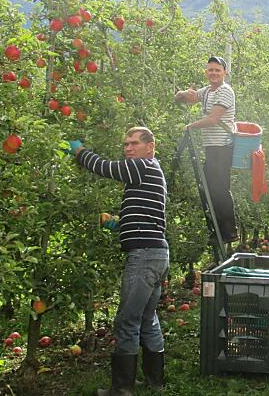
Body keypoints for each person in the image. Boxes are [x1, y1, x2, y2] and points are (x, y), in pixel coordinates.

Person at [68, 127, 168, 395]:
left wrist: (80, 152)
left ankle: (122, 390)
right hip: (156, 252)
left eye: (134, 143)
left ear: (150, 147)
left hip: (144, 255)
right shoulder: (150, 170)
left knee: (127, 322)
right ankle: (154, 382)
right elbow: (147, 214)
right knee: (147, 319)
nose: (128, 148)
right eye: (125, 144)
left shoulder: (142, 166)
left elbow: (106, 168)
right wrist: (120, 222)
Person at [174, 56, 238, 250]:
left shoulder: (225, 91)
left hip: (222, 146)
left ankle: (229, 230)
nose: (213, 73)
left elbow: (213, 119)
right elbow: (191, 97)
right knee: (209, 188)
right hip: (211, 147)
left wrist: (190, 126)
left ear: (225, 73)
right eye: (210, 70)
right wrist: (181, 94)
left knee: (220, 188)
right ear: (206, 72)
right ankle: (217, 228)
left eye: (217, 70)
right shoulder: (208, 91)